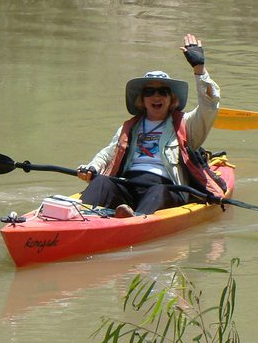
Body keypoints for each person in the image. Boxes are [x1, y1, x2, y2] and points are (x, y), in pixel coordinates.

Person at [75, 34, 224, 218]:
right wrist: (92, 168)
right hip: (128, 186)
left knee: (158, 191)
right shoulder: (130, 127)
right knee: (101, 183)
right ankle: (77, 217)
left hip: (164, 189)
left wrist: (200, 70)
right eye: (149, 91)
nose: (156, 96)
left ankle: (135, 222)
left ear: (171, 99)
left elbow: (209, 107)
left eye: (163, 91)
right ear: (142, 100)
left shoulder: (185, 124)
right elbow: (107, 154)